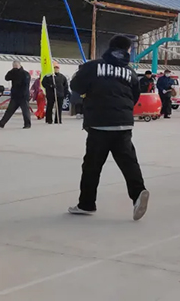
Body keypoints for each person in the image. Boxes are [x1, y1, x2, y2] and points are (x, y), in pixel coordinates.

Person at [68, 35, 149, 220]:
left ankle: (86, 204)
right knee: (129, 163)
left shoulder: (93, 67)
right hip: (123, 124)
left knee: (92, 166)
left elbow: (76, 86)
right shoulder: (130, 72)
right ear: (127, 50)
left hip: (99, 124)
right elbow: (135, 96)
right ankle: (138, 193)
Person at [0, 61, 32, 129]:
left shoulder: (25, 73)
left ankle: (27, 124)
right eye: (14, 66)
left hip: (23, 96)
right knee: (9, 110)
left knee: (25, 111)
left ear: (20, 65)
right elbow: (6, 78)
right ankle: (2, 123)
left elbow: (26, 85)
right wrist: (12, 71)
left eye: (16, 65)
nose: (15, 67)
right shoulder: (13, 73)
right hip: (15, 96)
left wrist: (24, 94)